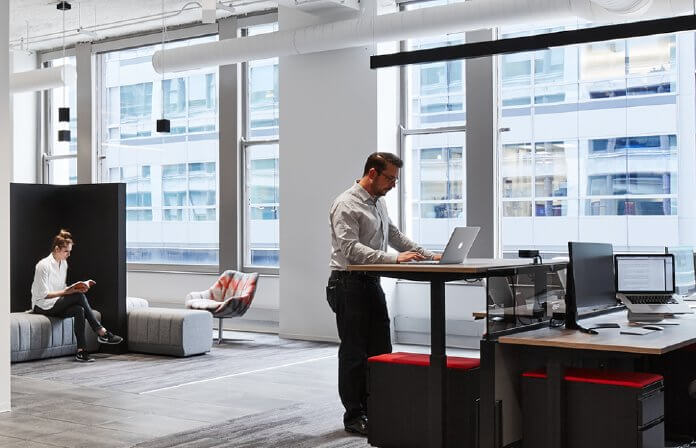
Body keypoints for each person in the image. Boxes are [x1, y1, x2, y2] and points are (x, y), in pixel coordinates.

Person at [327, 152, 441, 436]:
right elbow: (350, 250)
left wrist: (427, 256)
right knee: (354, 353)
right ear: (373, 173)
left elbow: (395, 235)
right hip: (348, 283)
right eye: (390, 178)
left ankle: (377, 408)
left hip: (370, 282)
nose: (393, 184)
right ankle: (354, 416)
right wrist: (394, 259)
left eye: (396, 180)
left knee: (380, 349)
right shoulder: (346, 204)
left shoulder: (379, 203)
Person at [30, 229, 123, 362]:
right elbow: (44, 295)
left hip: (56, 303)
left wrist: (75, 287)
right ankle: (101, 332)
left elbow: (60, 289)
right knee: (78, 297)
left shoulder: (63, 264)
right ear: (57, 249)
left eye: (70, 251)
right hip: (42, 305)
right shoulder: (43, 265)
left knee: (79, 310)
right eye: (66, 251)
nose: (69, 254)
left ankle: (81, 351)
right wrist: (70, 292)